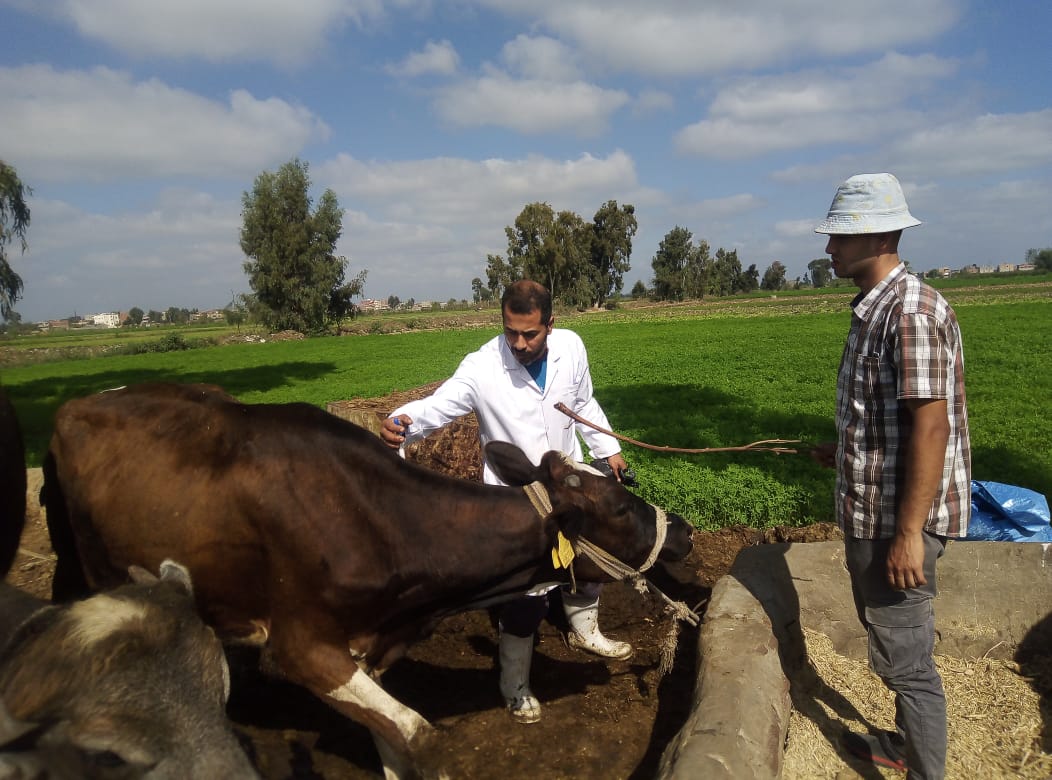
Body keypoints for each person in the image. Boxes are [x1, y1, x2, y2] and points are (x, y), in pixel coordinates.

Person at [379, 279, 632, 725]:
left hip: (566, 482)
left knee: (587, 559)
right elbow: (440, 405)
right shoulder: (483, 368)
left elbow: (584, 402)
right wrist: (402, 421)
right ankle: (513, 683)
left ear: (551, 325)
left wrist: (607, 448)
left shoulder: (572, 348)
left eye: (529, 334)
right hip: (516, 499)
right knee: (526, 595)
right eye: (510, 331)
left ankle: (585, 630)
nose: (518, 343)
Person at [811, 173, 971, 779]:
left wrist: (908, 535)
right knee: (893, 642)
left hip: (895, 523)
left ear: (879, 238)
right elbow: (892, 419)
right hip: (876, 511)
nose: (830, 249)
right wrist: (847, 448)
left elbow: (931, 428)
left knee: (908, 665)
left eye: (840, 237)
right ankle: (904, 745)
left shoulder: (908, 313)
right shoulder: (875, 309)